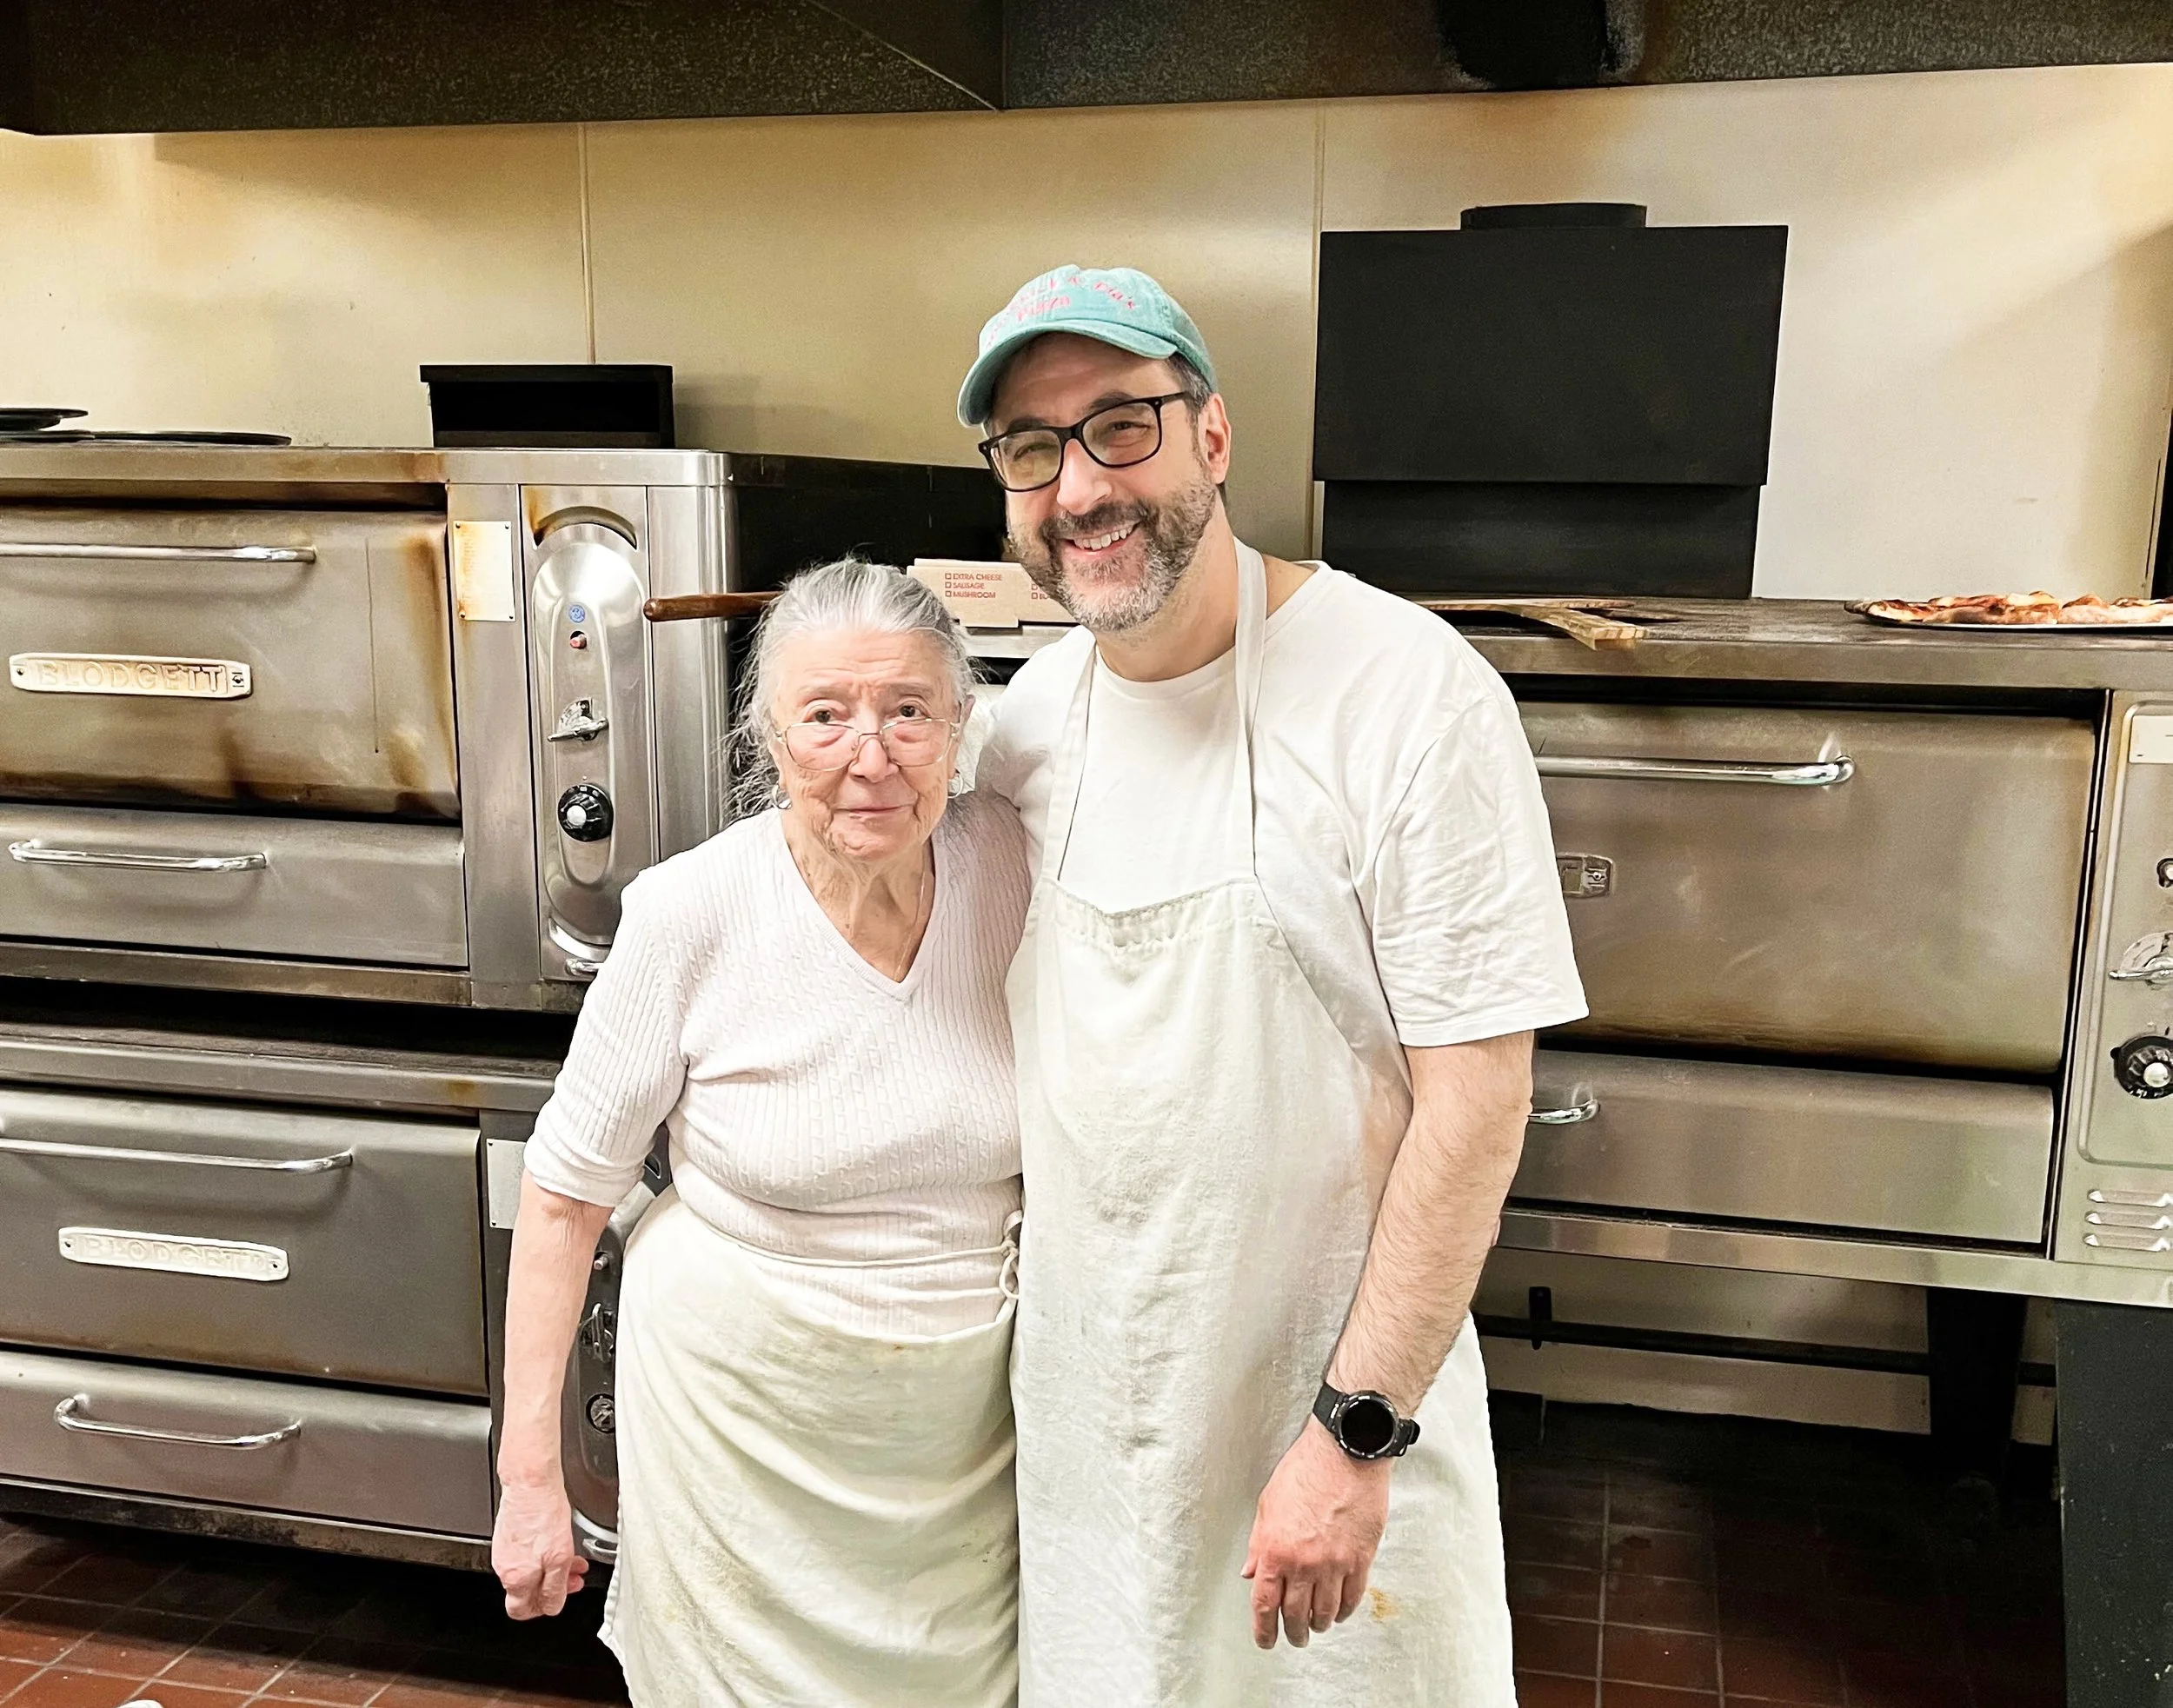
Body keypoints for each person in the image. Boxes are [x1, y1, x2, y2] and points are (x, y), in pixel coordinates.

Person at [966, 265, 1588, 1705]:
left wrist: (1356, 1433)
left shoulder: (1406, 694)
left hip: (1321, 1426)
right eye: (1030, 449)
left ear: (1216, 436)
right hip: (1091, 1437)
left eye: (1122, 426)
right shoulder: (1035, 721)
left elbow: (1479, 1106)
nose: (1078, 489)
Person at [491, 560, 1029, 1707]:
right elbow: (563, 1197)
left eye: (909, 712)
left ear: (960, 726)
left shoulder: (1016, 873)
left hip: (963, 1441)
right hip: (740, 1423)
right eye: (824, 717)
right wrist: (529, 1478)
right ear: (770, 741)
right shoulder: (694, 910)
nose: (869, 755)